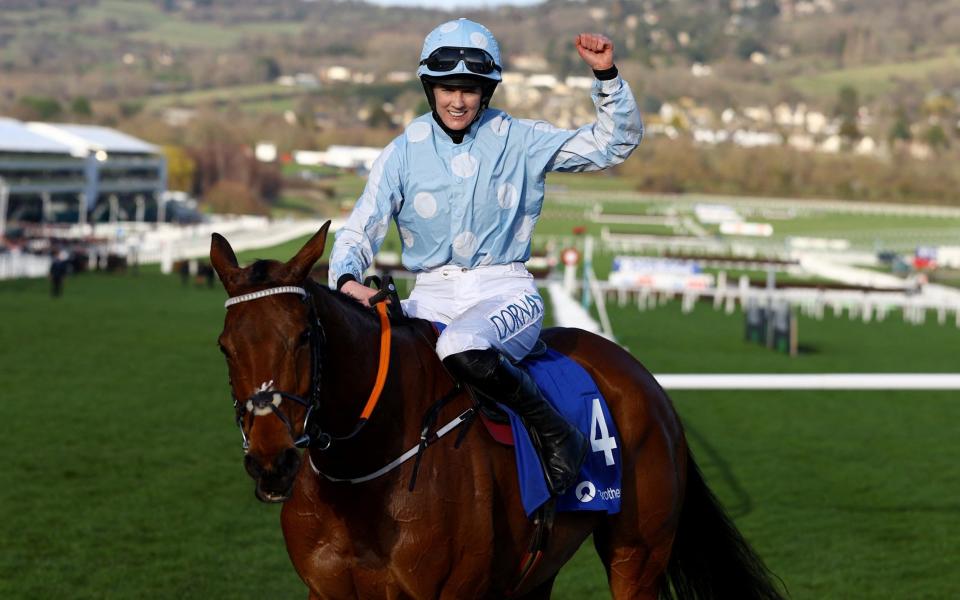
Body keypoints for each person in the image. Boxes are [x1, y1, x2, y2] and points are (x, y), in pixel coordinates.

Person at [329, 18, 642, 496]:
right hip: (429, 296)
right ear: (429, 87)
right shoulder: (401, 153)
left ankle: (559, 435)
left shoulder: (521, 139)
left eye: (470, 90)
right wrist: (347, 277)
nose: (458, 101)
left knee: (459, 345)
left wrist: (606, 77)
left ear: (486, 91)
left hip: (504, 291)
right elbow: (360, 227)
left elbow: (612, 143)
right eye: (447, 89)